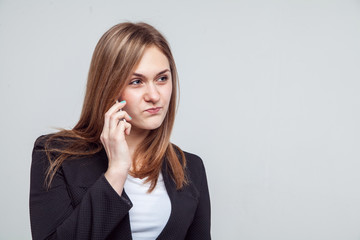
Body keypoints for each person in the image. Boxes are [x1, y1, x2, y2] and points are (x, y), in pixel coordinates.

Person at [29, 22, 211, 240]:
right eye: (136, 82)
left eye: (162, 78)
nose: (154, 95)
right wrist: (116, 172)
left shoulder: (190, 168)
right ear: (109, 87)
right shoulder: (54, 155)